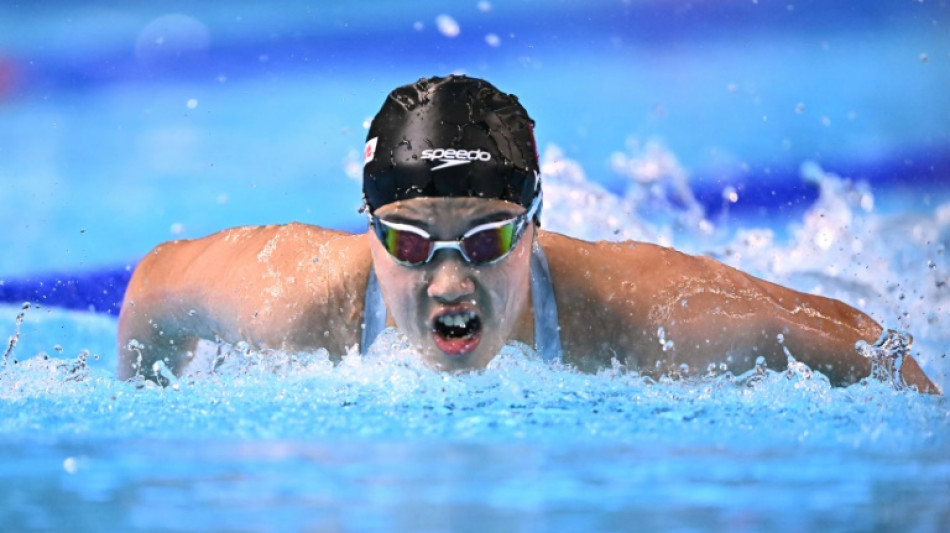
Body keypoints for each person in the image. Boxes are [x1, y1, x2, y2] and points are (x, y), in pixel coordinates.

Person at [116, 75, 939, 393]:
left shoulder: (640, 316)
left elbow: (869, 344)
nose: (448, 283)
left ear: (535, 229)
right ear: (366, 229)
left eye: (484, 241)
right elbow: (154, 284)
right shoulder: (288, 301)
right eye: (408, 241)